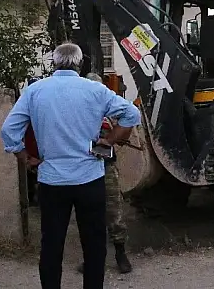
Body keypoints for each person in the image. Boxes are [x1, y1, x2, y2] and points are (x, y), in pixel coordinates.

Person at [0, 42, 140, 289]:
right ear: (80, 64)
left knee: (52, 244)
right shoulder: (94, 90)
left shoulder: (35, 91)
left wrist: (25, 157)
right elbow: (132, 115)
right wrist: (108, 141)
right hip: (89, 179)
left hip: (52, 181)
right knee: (94, 245)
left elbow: (9, 131)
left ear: (54, 63)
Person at [76, 73, 132, 275]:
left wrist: (111, 135)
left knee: (114, 211)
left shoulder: (110, 109)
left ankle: (120, 254)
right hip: (82, 167)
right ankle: (91, 259)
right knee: (88, 216)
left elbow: (127, 127)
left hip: (106, 165)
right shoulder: (76, 111)